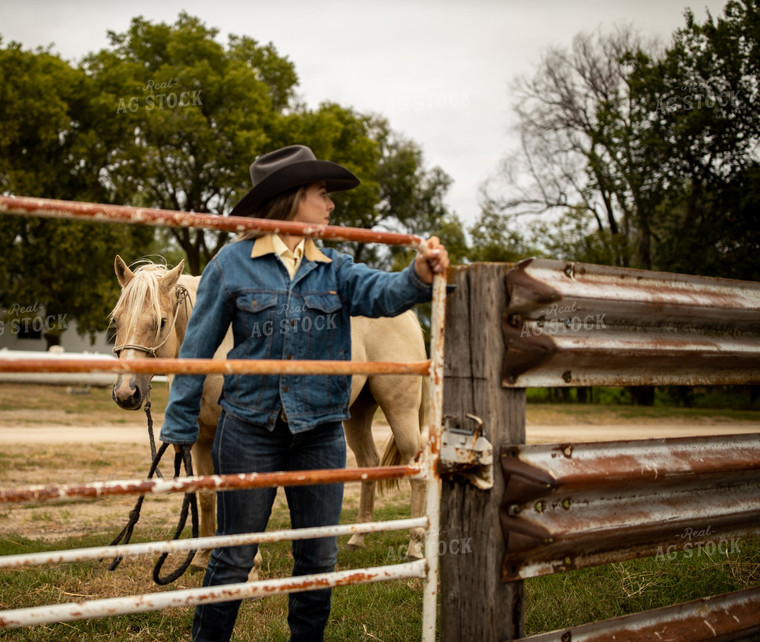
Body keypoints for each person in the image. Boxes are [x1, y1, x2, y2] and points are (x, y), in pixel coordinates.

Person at [159, 144, 448, 642]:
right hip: (248, 429)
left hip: (319, 433)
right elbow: (196, 351)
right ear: (293, 198)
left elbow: (382, 294)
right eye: (322, 194)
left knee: (317, 557)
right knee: (235, 554)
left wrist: (417, 276)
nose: (330, 204)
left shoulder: (335, 267)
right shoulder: (230, 265)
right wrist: (182, 424)